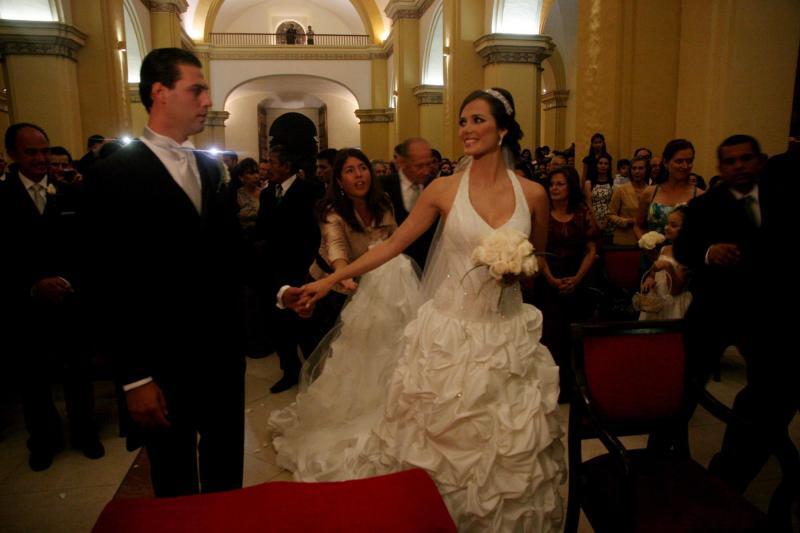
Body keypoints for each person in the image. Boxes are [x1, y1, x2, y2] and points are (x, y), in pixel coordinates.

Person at [281, 88, 564, 531]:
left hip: (507, 337)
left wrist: (520, 270)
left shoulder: (533, 194)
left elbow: (539, 261)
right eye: (462, 121)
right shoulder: (443, 190)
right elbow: (392, 246)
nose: (466, 130)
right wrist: (329, 280)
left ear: (503, 129)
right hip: (449, 335)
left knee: (506, 440)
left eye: (477, 120)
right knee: (439, 435)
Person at [84, 48, 245, 497]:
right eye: (196, 90)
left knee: (226, 472)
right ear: (160, 93)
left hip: (220, 354)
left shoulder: (212, 169)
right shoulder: (111, 176)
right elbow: (107, 284)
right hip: (160, 360)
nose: (207, 101)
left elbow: (229, 256)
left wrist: (281, 292)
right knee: (173, 480)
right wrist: (134, 377)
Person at [674, 135, 796, 498]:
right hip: (716, 310)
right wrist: (710, 251)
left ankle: (740, 464)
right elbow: (684, 248)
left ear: (760, 161)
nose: (739, 167)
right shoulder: (706, 206)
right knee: (683, 386)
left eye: (746, 159)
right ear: (720, 168)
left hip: (767, 313)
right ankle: (666, 448)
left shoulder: (783, 199)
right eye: (730, 161)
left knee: (772, 388)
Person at [0, 123, 104, 471]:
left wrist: (66, 280)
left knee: (78, 372)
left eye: (44, 151)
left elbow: (87, 248)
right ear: (12, 154)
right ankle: (43, 440)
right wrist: (33, 285)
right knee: (34, 378)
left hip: (70, 301)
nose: (41, 158)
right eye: (31, 152)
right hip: (26, 307)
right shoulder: (2, 198)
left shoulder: (69, 194)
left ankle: (85, 434)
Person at [254, 144, 324, 393]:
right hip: (273, 270)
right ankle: (289, 370)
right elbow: (262, 228)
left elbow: (313, 233)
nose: (268, 167)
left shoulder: (308, 191)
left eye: (272, 162)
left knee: (305, 325)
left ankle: (315, 371)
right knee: (278, 324)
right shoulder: (267, 193)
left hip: (300, 268)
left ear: (286, 165)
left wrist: (308, 267)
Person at [534, 165, 598, 401]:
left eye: (560, 184)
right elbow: (538, 249)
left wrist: (577, 278)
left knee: (575, 335)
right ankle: (553, 388)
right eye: (551, 184)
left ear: (570, 186)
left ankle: (576, 386)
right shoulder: (543, 212)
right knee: (551, 335)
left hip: (577, 276)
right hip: (549, 276)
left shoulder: (582, 213)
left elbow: (591, 249)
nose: (554, 188)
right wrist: (551, 278)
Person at [380, 137, 436, 268]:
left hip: (429, 265)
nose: (426, 171)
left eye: (428, 164)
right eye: (419, 166)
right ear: (402, 162)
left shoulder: (435, 185)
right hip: (394, 266)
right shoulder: (383, 186)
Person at [637, 139, 702, 237]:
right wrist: (645, 243)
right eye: (679, 161)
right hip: (654, 251)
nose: (685, 166)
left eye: (689, 161)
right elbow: (638, 226)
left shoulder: (700, 196)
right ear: (666, 163)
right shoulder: (650, 192)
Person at [638, 205, 691, 320]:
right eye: (667, 223)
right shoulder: (664, 248)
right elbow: (655, 270)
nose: (666, 227)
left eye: (674, 225)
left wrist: (668, 267)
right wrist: (650, 278)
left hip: (674, 304)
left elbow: (676, 291)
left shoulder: (688, 255)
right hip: (657, 301)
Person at [608, 155, 648, 245]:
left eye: (640, 168)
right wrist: (626, 221)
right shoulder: (621, 189)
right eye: (634, 168)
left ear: (646, 170)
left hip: (646, 239)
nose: (637, 171)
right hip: (624, 238)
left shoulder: (651, 190)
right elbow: (610, 214)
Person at [585, 152, 614, 242]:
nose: (603, 166)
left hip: (609, 220)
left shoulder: (613, 183)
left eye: (606, 164)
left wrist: (605, 222)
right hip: (593, 220)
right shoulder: (589, 183)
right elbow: (589, 204)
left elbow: (613, 204)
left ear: (609, 166)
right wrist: (596, 222)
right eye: (600, 163)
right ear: (596, 165)